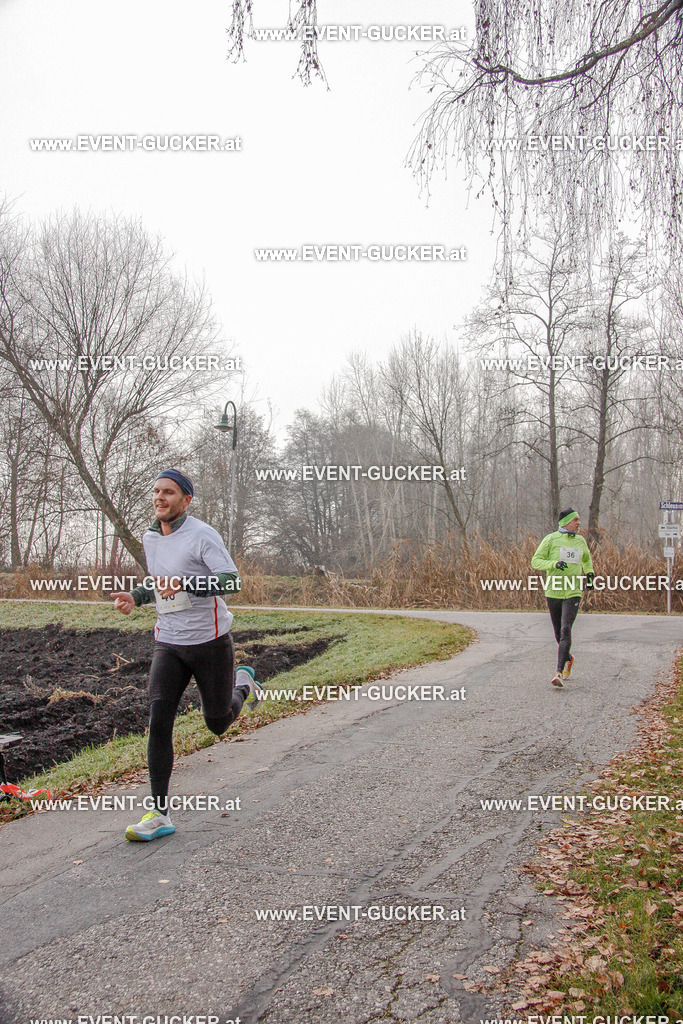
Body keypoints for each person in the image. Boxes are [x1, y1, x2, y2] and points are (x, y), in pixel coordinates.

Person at [112, 469, 263, 841]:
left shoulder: (202, 534)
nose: (159, 497)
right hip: (168, 641)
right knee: (159, 719)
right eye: (156, 491)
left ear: (186, 499)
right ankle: (159, 814)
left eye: (168, 492)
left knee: (217, 722)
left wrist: (186, 583)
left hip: (210, 642)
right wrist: (137, 596)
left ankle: (244, 684)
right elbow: (158, 581)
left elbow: (231, 581)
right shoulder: (150, 537)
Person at [530, 508, 594, 688]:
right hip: (554, 591)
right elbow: (535, 561)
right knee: (558, 633)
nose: (579, 523)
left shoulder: (580, 541)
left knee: (566, 629)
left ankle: (558, 672)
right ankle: (568, 658)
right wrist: (554, 564)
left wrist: (590, 575)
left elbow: (586, 559)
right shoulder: (551, 539)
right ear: (566, 523)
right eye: (576, 520)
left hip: (573, 591)